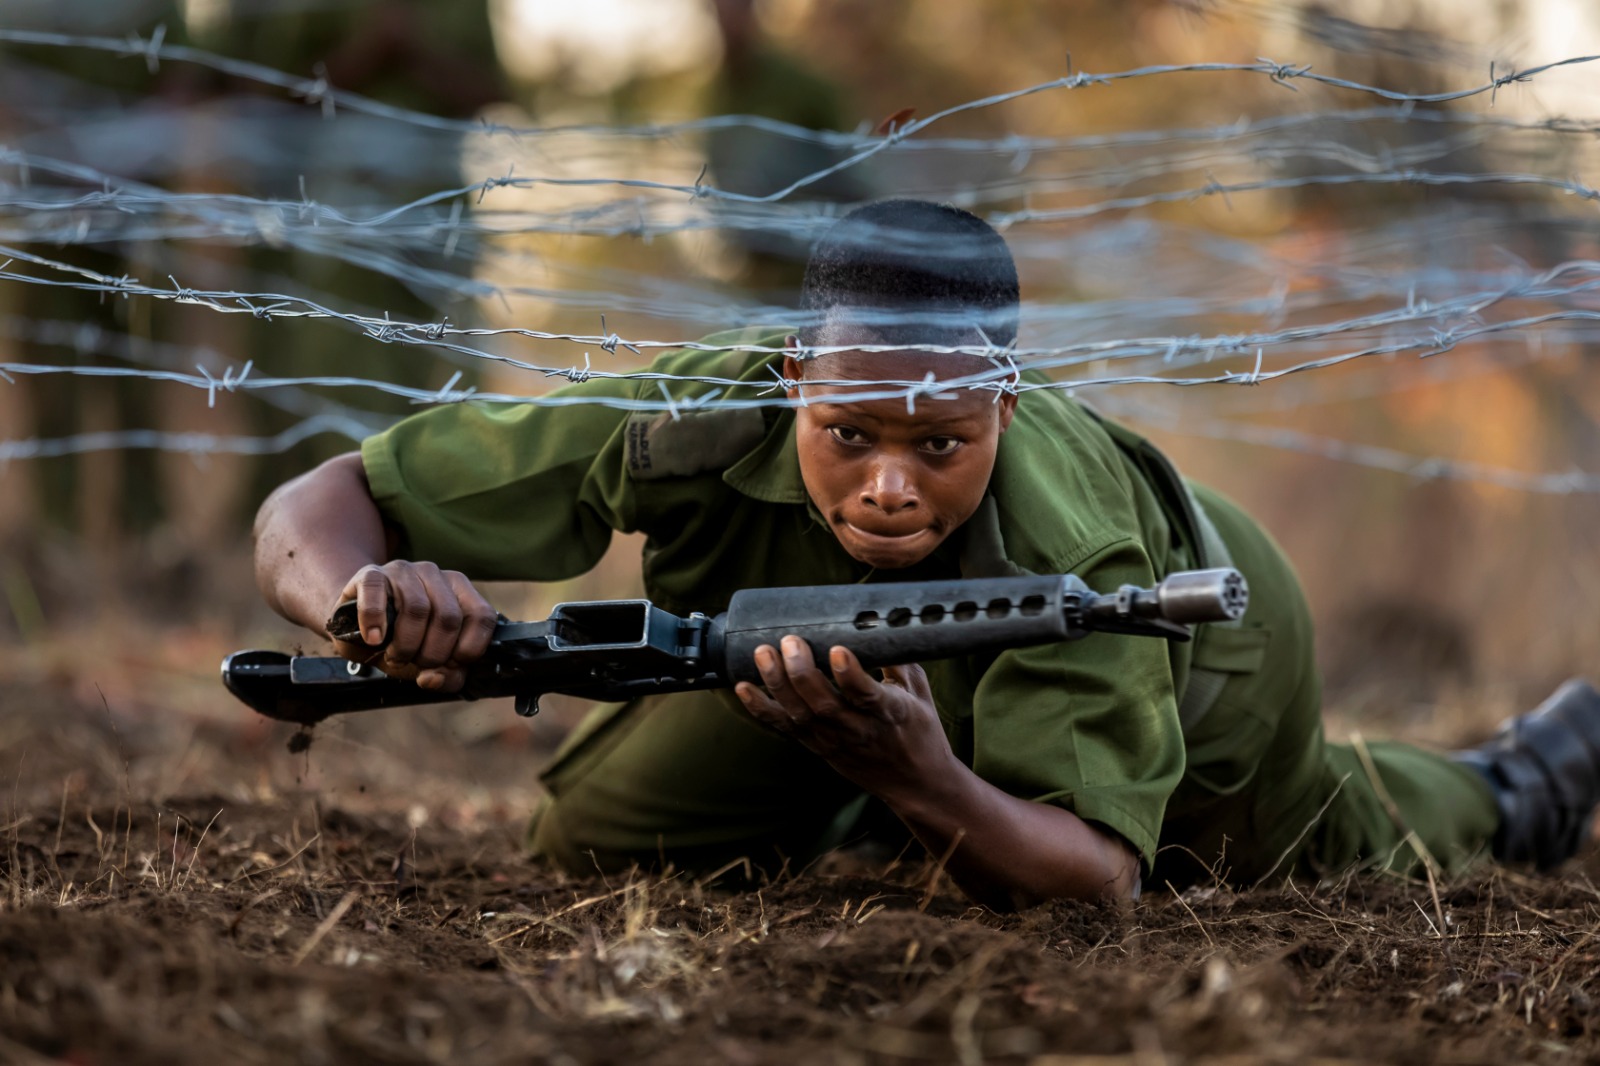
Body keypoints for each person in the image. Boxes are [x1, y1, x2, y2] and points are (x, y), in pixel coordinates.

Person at [252, 199, 1600, 909]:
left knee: (1312, 845)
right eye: (847, 433)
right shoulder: (687, 420)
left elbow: (1101, 881)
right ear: (789, 379)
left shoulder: (1080, 544)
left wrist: (930, 781)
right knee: (592, 842)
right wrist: (360, 599)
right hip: (795, 669)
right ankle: (882, 784)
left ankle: (1513, 776)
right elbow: (321, 501)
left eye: (942, 443)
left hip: (1200, 655)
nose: (889, 485)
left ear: (1006, 407)